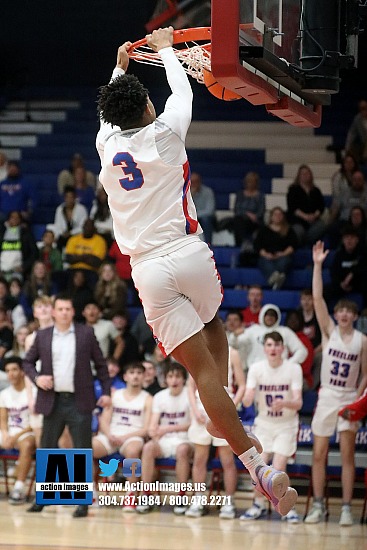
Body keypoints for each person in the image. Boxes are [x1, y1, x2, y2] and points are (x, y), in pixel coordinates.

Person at [95, 27, 297, 516]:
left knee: (200, 370)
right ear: (145, 108)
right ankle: (219, 412)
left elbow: (108, 111)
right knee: (212, 330)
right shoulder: (164, 135)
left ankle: (256, 467)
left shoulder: (105, 145)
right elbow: (180, 91)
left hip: (145, 270)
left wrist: (121, 67)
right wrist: (164, 50)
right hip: (187, 252)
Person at [22, 293, 111, 518]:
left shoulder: (85, 333)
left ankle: (82, 502)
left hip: (78, 400)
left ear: (73, 312)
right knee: (47, 449)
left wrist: (107, 392)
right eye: (59, 309)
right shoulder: (42, 336)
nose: (63, 313)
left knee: (82, 449)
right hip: (52, 399)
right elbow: (27, 363)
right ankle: (43, 498)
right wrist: (37, 378)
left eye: (67, 309)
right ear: (53, 312)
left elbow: (101, 365)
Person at [304, 241, 367, 526]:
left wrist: (358, 396)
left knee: (347, 455)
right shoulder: (328, 332)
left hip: (349, 397)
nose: (342, 314)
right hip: (327, 395)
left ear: (354, 316)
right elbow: (318, 300)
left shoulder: (362, 341)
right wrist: (317, 265)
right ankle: (318, 506)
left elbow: (366, 373)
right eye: (339, 310)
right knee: (319, 454)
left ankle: (344, 507)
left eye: (348, 311)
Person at [240, 332, 303, 523]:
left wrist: (286, 403)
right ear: (264, 348)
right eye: (269, 345)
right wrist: (247, 398)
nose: (273, 348)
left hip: (286, 424)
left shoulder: (293, 368)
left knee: (278, 466)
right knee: (258, 466)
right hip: (265, 424)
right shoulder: (256, 368)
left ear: (283, 348)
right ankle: (257, 504)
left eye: (277, 345)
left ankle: (285, 507)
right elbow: (248, 395)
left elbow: (298, 402)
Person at [185, 346, 246, 519]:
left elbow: (241, 385)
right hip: (201, 410)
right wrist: (195, 410)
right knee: (199, 459)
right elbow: (190, 386)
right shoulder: (195, 348)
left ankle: (229, 501)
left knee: (227, 461)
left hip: (223, 408)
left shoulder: (232, 353)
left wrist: (231, 407)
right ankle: (198, 499)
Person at [92, 361, 152, 511]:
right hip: (112, 435)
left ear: (144, 376)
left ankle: (131, 494)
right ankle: (91, 491)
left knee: (133, 451)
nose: (135, 376)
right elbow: (104, 420)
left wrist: (124, 437)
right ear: (125, 377)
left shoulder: (148, 398)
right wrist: (109, 434)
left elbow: (146, 429)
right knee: (88, 448)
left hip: (132, 436)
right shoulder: (115, 395)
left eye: (139, 373)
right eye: (132, 373)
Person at [136, 362, 193, 515]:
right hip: (165, 441)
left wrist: (168, 428)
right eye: (170, 376)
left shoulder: (190, 395)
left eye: (177, 377)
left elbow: (193, 424)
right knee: (148, 448)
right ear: (165, 380)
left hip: (185, 439)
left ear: (183, 379)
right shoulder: (160, 397)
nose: (174, 380)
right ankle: (145, 494)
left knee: (182, 451)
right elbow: (153, 424)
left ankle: (181, 496)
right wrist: (153, 430)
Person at [0, 356, 36, 504]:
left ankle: (18, 488)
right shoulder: (4, 394)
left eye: (14, 369)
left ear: (22, 372)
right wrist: (6, 434)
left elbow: (35, 423)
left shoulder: (33, 392)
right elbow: (2, 419)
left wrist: (15, 437)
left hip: (28, 431)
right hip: (10, 432)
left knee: (27, 445)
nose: (11, 374)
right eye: (8, 371)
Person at [242, 304, 308, 370]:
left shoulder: (285, 331)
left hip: (279, 372)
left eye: (273, 315)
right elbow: (238, 345)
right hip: (255, 371)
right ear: (262, 315)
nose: (270, 317)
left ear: (277, 317)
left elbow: (302, 351)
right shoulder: (252, 330)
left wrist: (289, 364)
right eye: (267, 314)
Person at [254, 206, 298, 289]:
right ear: (271, 216)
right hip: (267, 256)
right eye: (275, 214)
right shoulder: (264, 230)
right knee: (264, 261)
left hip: (283, 255)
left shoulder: (289, 230)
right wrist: (266, 254)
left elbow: (293, 245)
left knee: (285, 261)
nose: (278, 216)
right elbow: (257, 245)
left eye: (280, 214)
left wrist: (282, 254)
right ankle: (277, 279)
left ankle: (274, 279)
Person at [286, 164, 326, 245]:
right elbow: (292, 207)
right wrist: (305, 216)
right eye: (302, 174)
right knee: (298, 230)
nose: (305, 175)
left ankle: (305, 242)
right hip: (297, 219)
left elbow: (321, 206)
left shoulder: (316, 190)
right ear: (299, 176)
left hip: (313, 219)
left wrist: (314, 215)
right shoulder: (293, 189)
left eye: (307, 173)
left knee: (322, 226)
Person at [64, 218, 107, 288]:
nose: (87, 228)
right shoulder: (74, 239)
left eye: (89, 226)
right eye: (85, 226)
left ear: (94, 228)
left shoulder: (100, 241)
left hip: (91, 271)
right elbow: (68, 259)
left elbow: (96, 262)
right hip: (73, 269)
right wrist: (87, 256)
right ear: (83, 227)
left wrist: (77, 257)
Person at [0, 210, 39, 282]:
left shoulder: (26, 234)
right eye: (12, 217)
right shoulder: (1, 233)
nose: (14, 219)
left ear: (20, 220)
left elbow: (34, 253)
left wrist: (24, 267)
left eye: (17, 218)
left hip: (19, 273)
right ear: (8, 220)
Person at [49, 185, 88, 251]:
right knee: (59, 241)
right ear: (64, 198)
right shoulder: (60, 209)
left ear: (75, 198)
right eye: (67, 197)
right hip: (63, 236)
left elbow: (83, 227)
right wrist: (63, 233)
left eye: (71, 197)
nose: (69, 200)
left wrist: (71, 233)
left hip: (77, 235)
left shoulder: (81, 209)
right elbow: (57, 225)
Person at [232, 171, 265, 249]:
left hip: (255, 221)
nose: (250, 184)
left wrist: (254, 216)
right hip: (241, 218)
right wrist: (248, 214)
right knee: (238, 220)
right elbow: (237, 210)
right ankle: (242, 244)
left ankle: (246, 244)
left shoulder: (260, 196)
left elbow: (261, 211)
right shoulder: (240, 194)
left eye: (253, 182)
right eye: (249, 181)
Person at [284, 309, 314, 390]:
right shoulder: (281, 337)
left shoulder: (305, 341)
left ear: (300, 322)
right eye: (291, 319)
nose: (293, 322)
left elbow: (306, 368)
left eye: (296, 319)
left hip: (301, 378)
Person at [190, 171, 216, 244]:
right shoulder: (186, 193)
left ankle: (208, 244)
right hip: (192, 217)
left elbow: (209, 210)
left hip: (204, 217)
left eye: (196, 181)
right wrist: (191, 195)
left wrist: (195, 215)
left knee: (206, 219)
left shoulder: (208, 192)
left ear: (200, 181)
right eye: (192, 182)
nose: (194, 184)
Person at [344, 99, 367, 164]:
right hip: (363, 144)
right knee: (353, 148)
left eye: (365, 108)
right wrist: (347, 148)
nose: (364, 110)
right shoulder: (358, 119)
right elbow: (351, 134)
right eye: (362, 108)